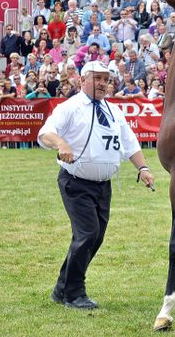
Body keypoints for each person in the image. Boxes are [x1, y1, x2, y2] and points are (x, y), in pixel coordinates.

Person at [38, 61, 154, 310]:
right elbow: (45, 133)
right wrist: (61, 144)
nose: (103, 84)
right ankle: (74, 293)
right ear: (83, 80)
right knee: (87, 234)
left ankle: (62, 288)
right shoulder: (69, 108)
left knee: (95, 237)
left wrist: (143, 168)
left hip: (103, 186)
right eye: (98, 78)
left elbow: (129, 142)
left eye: (106, 79)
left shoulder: (113, 111)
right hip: (76, 183)